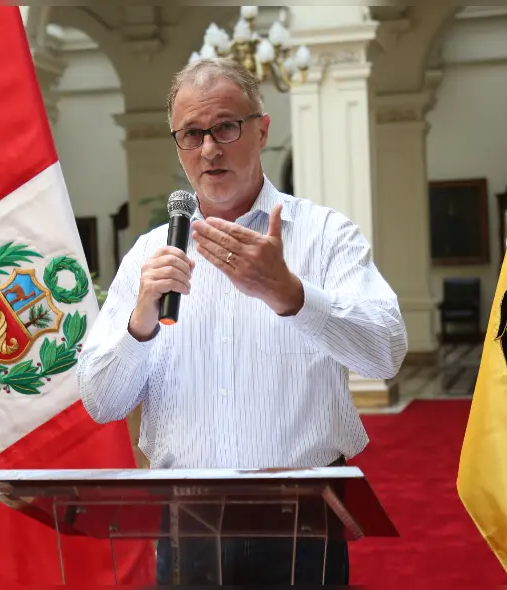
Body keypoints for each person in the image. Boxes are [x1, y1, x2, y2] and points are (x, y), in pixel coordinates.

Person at [77, 57, 407, 586]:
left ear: (262, 129)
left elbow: (385, 352)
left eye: (226, 126)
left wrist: (291, 294)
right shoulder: (149, 255)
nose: (209, 148)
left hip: (302, 521)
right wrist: (140, 321)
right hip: (187, 523)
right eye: (191, 134)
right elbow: (101, 401)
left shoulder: (324, 236)